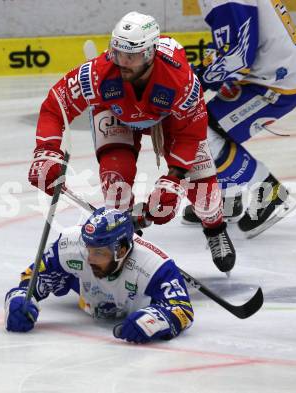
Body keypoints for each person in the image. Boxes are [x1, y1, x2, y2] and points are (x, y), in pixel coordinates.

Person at [27, 11, 236, 273]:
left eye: (131, 56)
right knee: (116, 183)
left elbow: (191, 133)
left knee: (206, 193)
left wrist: (173, 179)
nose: (122, 62)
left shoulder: (180, 80)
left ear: (150, 54)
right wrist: (46, 151)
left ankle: (215, 228)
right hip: (115, 112)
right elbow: (55, 104)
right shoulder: (99, 73)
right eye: (118, 53)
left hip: (169, 120)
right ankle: (122, 238)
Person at [182, 0, 296, 239]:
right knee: (211, 125)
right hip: (269, 73)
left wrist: (195, 80)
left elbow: (239, 56)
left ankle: (270, 192)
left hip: (275, 82)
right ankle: (228, 198)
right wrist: (200, 71)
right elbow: (229, 44)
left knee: (200, 133)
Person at [4, 208, 194, 344]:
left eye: (100, 253)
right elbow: (33, 277)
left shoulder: (155, 265)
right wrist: (20, 299)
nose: (90, 259)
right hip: (86, 297)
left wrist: (149, 322)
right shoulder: (70, 244)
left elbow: (182, 309)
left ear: (122, 249)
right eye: (89, 249)